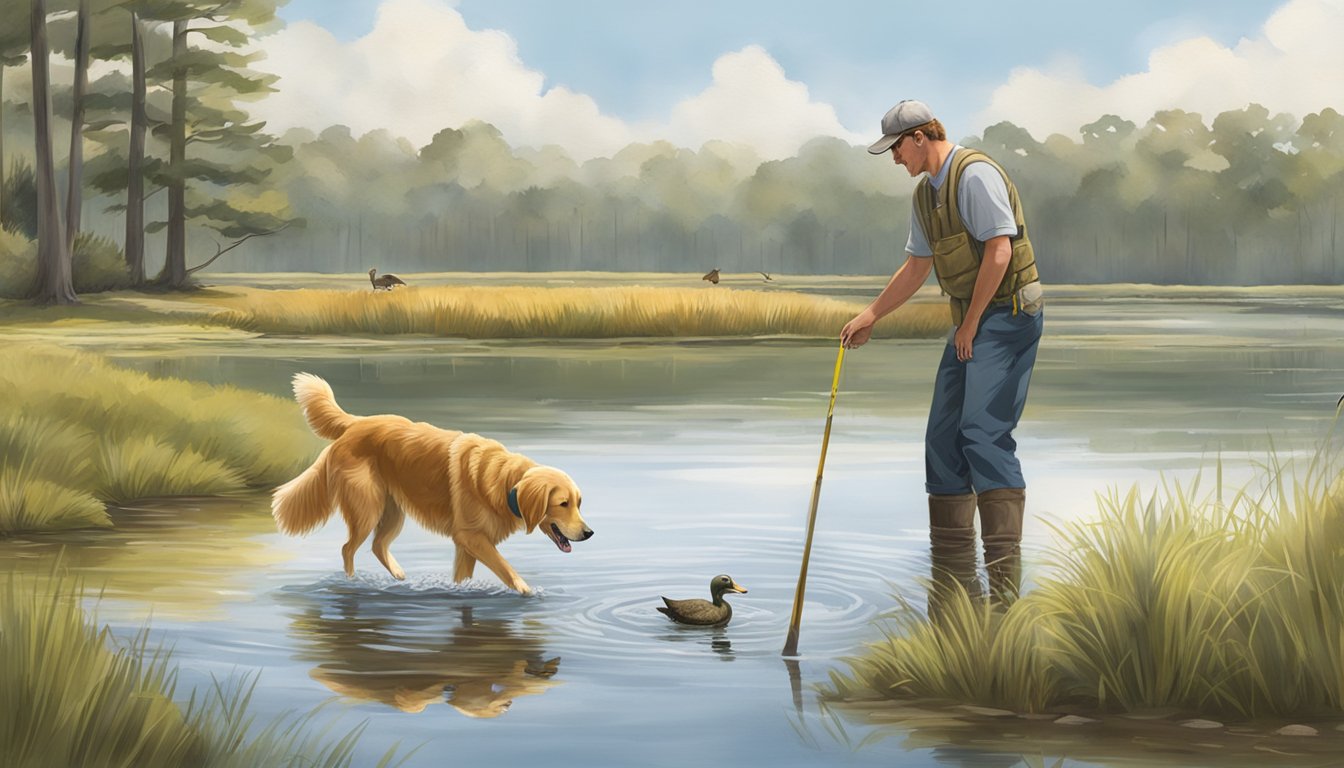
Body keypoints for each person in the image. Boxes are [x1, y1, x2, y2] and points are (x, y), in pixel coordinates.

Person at [840, 99, 1044, 611]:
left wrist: (971, 322)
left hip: (1010, 314)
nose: (893, 160)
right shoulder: (924, 195)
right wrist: (871, 316)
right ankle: (953, 594)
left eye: (895, 149)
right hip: (973, 320)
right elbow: (916, 267)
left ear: (919, 138)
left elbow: (1000, 249)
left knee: (982, 432)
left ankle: (1003, 601)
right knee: (941, 441)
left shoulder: (973, 176)